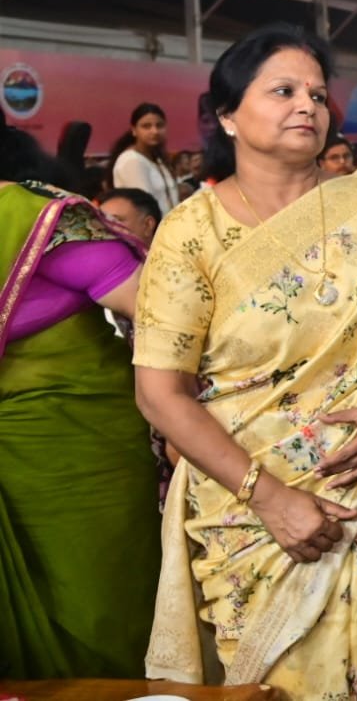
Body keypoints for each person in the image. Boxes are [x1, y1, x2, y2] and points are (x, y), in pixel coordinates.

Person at [134, 24, 357, 697]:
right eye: (282, 91)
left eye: (315, 92)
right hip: (254, 519)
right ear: (227, 114)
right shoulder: (192, 233)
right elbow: (160, 393)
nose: (307, 105)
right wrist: (272, 499)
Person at [0, 121, 160, 678]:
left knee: (97, 603)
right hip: (25, 454)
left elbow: (162, 312)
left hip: (84, 453)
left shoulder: (35, 218)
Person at [112, 101, 181, 214]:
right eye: (146, 126)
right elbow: (145, 207)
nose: (155, 131)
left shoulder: (157, 159)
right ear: (134, 130)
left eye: (159, 125)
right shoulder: (132, 160)